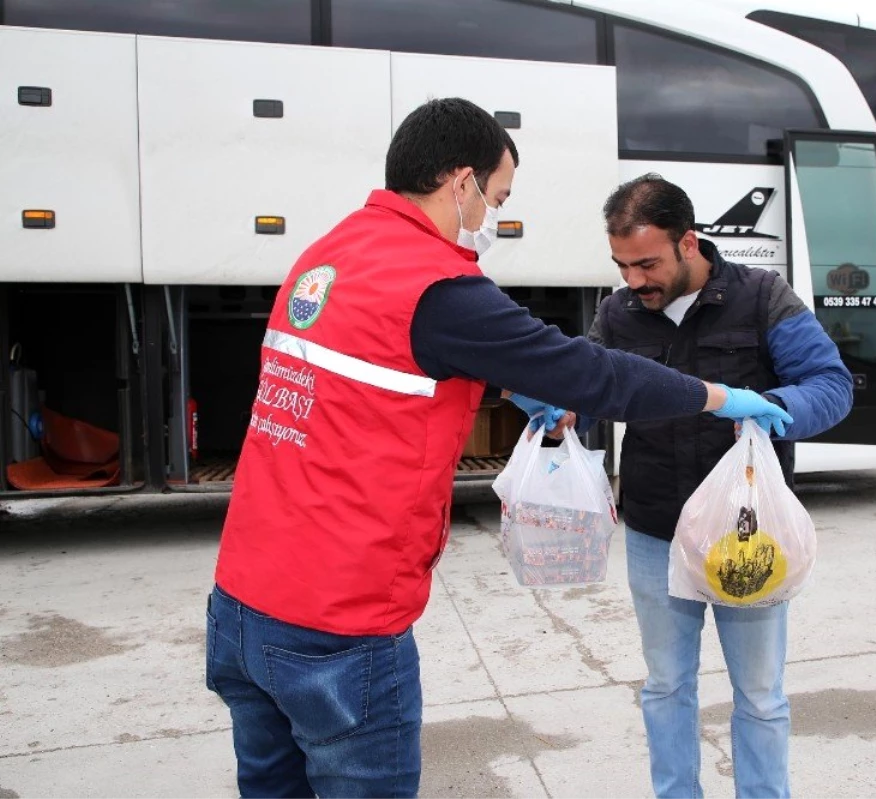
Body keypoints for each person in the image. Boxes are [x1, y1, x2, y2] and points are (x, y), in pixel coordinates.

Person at [204, 99, 791, 799]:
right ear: (461, 184)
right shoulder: (437, 285)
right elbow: (597, 375)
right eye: (497, 197)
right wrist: (720, 396)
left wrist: (502, 380)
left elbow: (379, 377)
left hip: (240, 603)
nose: (491, 219)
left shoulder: (325, 256)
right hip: (338, 624)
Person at [581, 174, 854, 798]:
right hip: (656, 529)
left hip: (748, 533)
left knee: (759, 694)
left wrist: (774, 405)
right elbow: (593, 390)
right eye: (622, 265)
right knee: (665, 687)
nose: (634, 282)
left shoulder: (762, 297)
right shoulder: (618, 313)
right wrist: (565, 409)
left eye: (647, 263)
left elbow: (831, 385)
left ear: (689, 243)